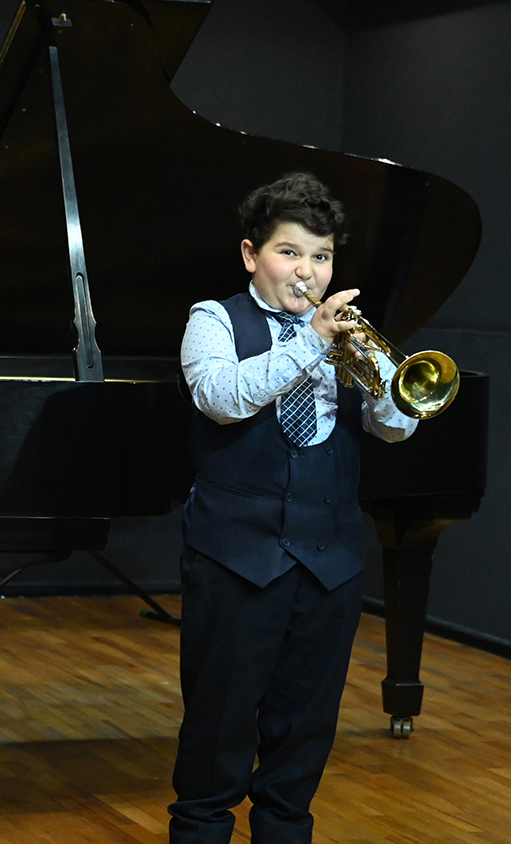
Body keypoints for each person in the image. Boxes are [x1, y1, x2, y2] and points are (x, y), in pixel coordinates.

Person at [170, 173, 418, 843]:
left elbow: (394, 430)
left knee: (303, 742)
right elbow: (221, 397)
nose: (307, 272)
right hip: (236, 559)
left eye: (322, 256)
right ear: (251, 254)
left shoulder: (344, 335)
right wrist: (310, 340)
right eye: (290, 252)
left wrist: (386, 387)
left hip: (329, 563)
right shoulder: (214, 319)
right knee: (216, 738)